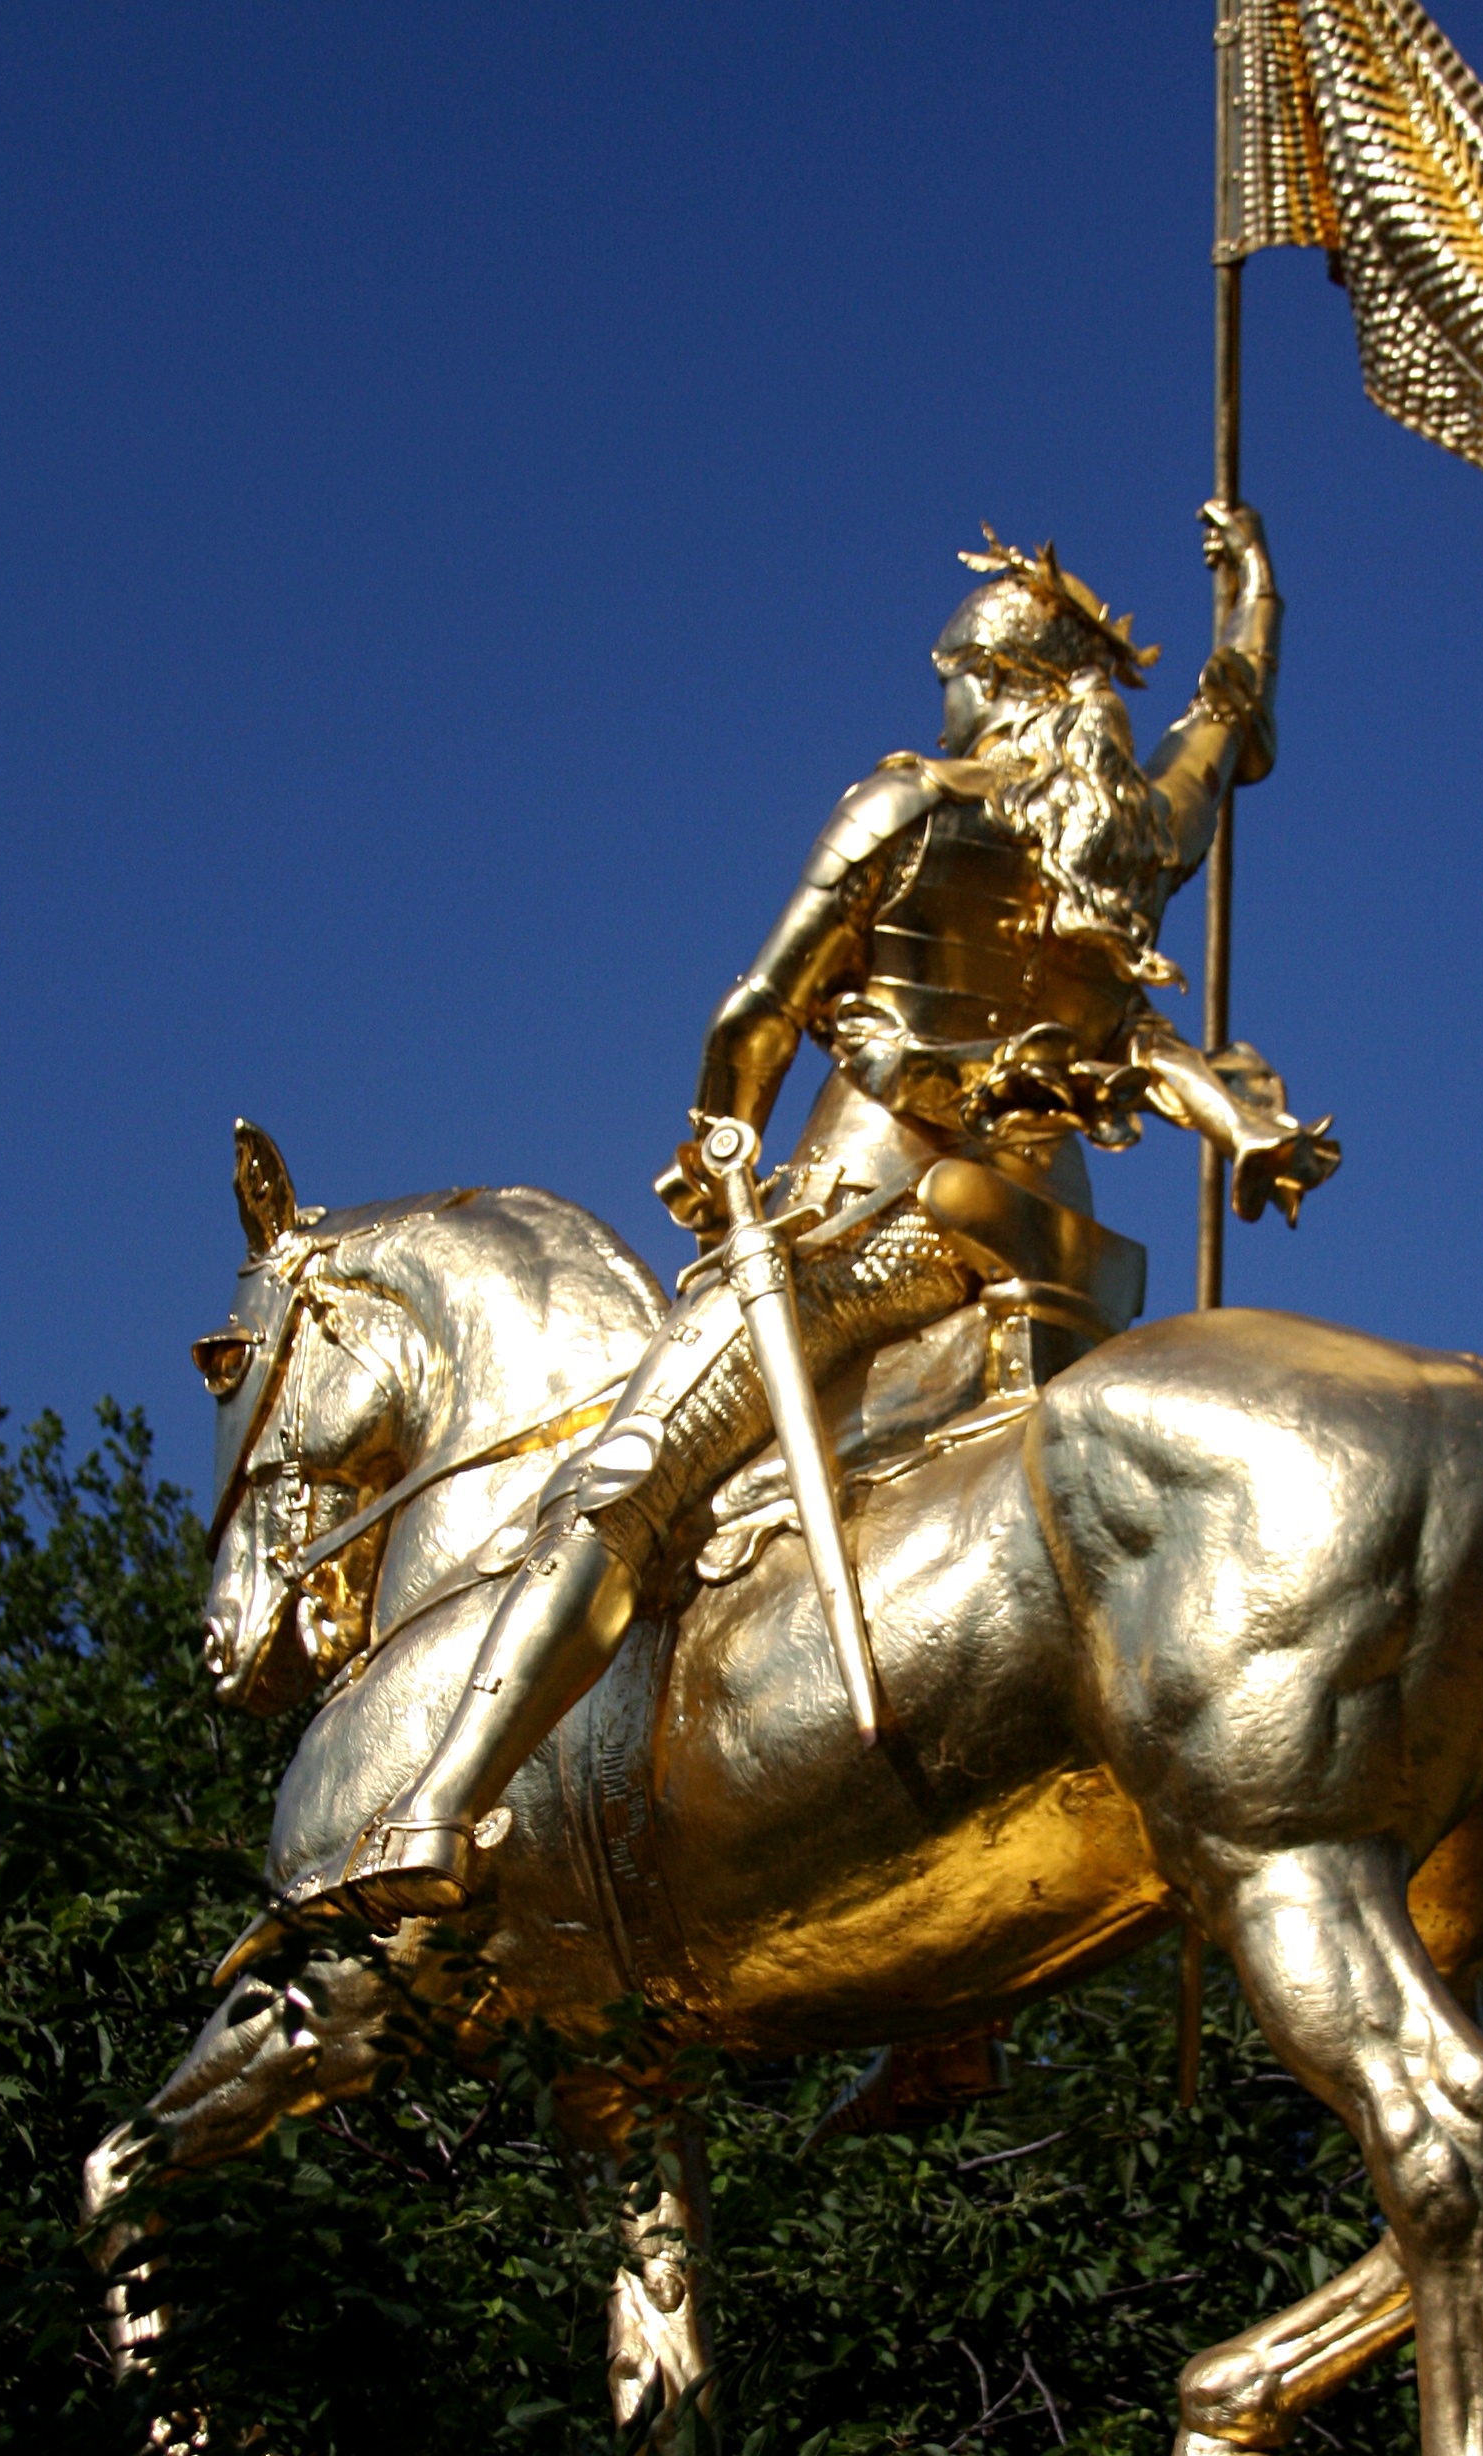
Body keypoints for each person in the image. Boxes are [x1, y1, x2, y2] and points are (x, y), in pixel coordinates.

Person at [344, 501, 1337, 1911]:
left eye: (953, 670)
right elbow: (1223, 734)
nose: (942, 693)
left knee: (619, 1488)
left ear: (993, 681)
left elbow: (759, 1005)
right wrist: (1255, 608)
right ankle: (960, 2022)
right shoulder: (1124, 845)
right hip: (1054, 1263)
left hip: (867, 1231)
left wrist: (719, 1138)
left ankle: (434, 1808)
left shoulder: (910, 807)